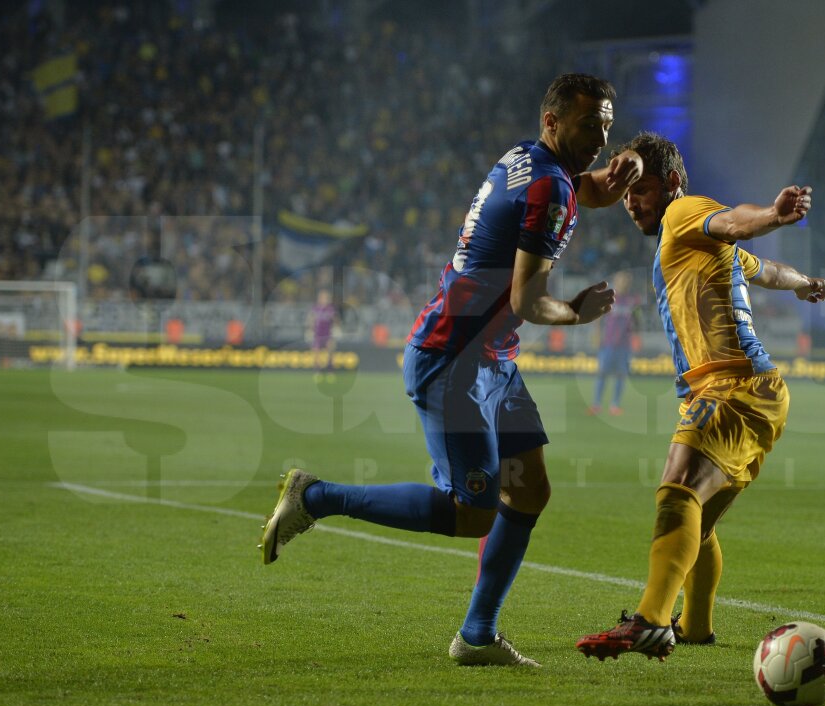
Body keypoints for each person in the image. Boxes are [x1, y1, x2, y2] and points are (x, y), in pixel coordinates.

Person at [260, 74, 644, 667]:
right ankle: (318, 497)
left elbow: (577, 188)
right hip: (456, 362)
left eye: (607, 126)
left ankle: (477, 637)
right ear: (553, 122)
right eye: (590, 123)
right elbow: (526, 300)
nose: (600, 136)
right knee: (473, 514)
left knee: (531, 489)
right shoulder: (550, 185)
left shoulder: (530, 162)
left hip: (492, 361)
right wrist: (575, 312)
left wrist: (612, 183)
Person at [575, 131, 825, 661]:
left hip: (733, 385)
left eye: (639, 189)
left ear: (670, 182)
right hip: (753, 390)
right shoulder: (701, 247)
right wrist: (804, 281)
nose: (631, 202)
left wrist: (772, 216)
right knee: (702, 521)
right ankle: (694, 627)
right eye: (624, 194)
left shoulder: (684, 213)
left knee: (678, 491)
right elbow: (764, 268)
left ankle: (650, 621)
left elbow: (734, 220)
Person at [588, 270, 641, 416]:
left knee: (620, 375)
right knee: (602, 373)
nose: (623, 283)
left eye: (625, 281)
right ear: (616, 281)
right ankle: (596, 404)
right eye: (620, 280)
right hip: (608, 342)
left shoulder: (633, 299)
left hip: (625, 344)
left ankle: (615, 405)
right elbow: (598, 317)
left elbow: (637, 320)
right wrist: (597, 334)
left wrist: (636, 334)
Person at [309, 288, 337, 383]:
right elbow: (311, 320)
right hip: (317, 335)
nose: (323, 299)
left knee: (330, 353)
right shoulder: (315, 309)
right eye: (321, 297)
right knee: (316, 354)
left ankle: (330, 372)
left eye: (325, 297)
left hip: (327, 335)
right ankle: (317, 372)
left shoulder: (330, 309)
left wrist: (335, 323)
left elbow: (336, 321)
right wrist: (310, 329)